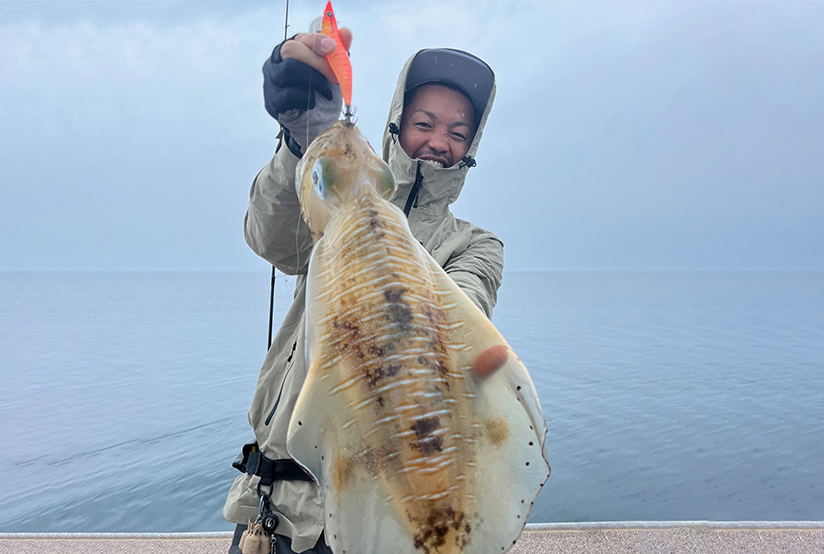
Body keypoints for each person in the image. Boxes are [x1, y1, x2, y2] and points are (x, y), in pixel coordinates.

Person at [224, 28, 505, 554]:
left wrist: (367, 206)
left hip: (383, 520)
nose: (439, 141)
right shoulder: (336, 204)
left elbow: (457, 317)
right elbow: (272, 239)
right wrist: (305, 141)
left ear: (471, 147)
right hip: (276, 512)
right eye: (425, 123)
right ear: (396, 125)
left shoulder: (476, 245)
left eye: (457, 132)